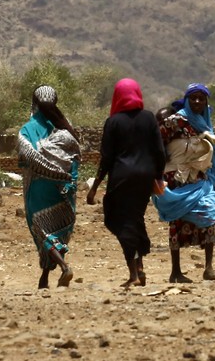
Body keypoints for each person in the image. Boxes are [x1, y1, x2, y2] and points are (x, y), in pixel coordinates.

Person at [155, 83, 215, 283]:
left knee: (210, 214)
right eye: (193, 98)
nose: (197, 102)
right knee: (176, 221)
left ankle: (209, 268)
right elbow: (157, 140)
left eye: (201, 98)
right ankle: (175, 271)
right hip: (177, 179)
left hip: (200, 178)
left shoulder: (204, 122)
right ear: (186, 100)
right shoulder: (176, 121)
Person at [86, 79, 167, 287]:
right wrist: (158, 177)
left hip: (121, 177)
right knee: (136, 218)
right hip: (144, 178)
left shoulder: (113, 122)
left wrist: (95, 187)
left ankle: (133, 273)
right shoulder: (149, 118)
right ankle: (140, 265)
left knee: (119, 221)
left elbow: (106, 158)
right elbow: (159, 151)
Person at [17, 85, 81, 290]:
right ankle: (44, 276)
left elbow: (26, 157)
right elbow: (76, 157)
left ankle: (63, 267)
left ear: (34, 103)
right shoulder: (66, 128)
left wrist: (43, 167)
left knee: (42, 230)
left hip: (38, 189)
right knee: (58, 230)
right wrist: (69, 180)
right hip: (63, 188)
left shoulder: (26, 130)